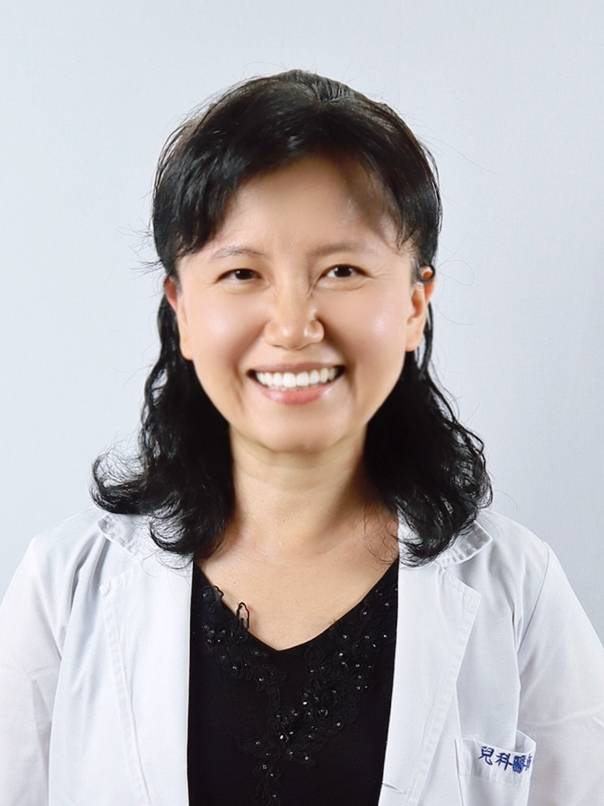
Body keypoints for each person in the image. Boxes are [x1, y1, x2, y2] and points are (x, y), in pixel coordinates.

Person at [1, 69, 603, 806]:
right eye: (242, 273)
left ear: (415, 303)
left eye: (342, 270)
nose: (292, 326)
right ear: (181, 308)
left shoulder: (518, 591)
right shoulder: (64, 589)